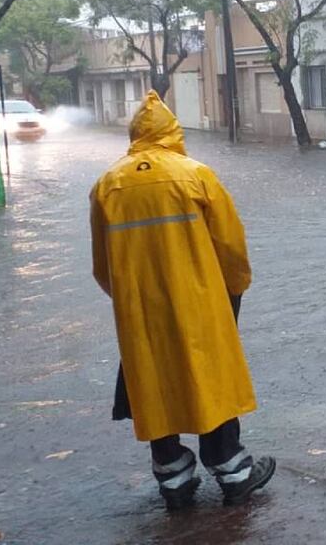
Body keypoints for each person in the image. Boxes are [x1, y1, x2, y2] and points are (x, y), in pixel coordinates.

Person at [90, 90, 275, 510]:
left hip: (139, 309)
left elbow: (102, 265)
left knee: (153, 383)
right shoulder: (196, 175)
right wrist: (235, 288)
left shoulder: (107, 185)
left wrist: (128, 301)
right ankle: (233, 472)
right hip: (199, 302)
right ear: (173, 132)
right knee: (209, 379)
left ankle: (173, 478)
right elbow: (231, 245)